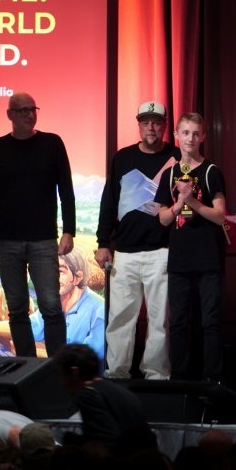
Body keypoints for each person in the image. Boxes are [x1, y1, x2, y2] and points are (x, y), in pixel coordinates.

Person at [0, 92, 76, 357]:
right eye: (23, 110)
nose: (30, 115)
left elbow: (66, 191)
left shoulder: (52, 143)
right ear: (9, 115)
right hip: (6, 240)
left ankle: (57, 368)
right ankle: (26, 367)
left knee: (51, 306)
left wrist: (69, 230)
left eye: (33, 109)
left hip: (43, 239)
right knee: (17, 308)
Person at [95, 101, 177, 380]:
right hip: (125, 252)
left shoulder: (177, 157)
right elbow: (109, 202)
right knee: (120, 318)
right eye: (145, 122)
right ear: (139, 125)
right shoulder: (123, 157)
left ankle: (156, 375)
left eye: (156, 122)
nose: (151, 127)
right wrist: (103, 243)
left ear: (165, 126)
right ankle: (116, 374)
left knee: (160, 321)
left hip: (162, 250)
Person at [156, 112, 229, 383]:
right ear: (176, 135)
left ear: (203, 137)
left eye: (196, 133)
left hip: (208, 258)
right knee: (178, 322)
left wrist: (193, 201)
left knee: (210, 321)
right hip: (179, 259)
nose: (190, 138)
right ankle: (179, 379)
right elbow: (163, 219)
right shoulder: (170, 174)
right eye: (186, 133)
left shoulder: (211, 171)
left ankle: (212, 380)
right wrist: (179, 203)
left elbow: (220, 216)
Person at [0, 250, 107, 359]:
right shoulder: (55, 300)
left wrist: (38, 353)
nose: (52, 277)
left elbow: (89, 358)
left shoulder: (99, 309)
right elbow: (31, 326)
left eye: (60, 272)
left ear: (78, 277)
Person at [55, 342, 147, 447]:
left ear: (74, 372)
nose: (61, 383)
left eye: (62, 375)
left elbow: (104, 443)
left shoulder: (88, 395)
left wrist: (71, 442)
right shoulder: (126, 393)